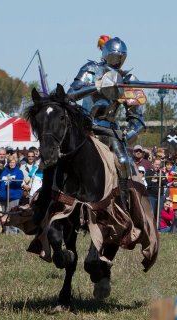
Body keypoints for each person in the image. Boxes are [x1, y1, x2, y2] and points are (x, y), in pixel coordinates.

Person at [67, 35, 147, 204]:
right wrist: (94, 86)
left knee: (124, 161)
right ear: (105, 54)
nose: (117, 60)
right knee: (61, 154)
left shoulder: (127, 80)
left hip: (109, 128)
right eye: (113, 56)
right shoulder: (91, 69)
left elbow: (138, 117)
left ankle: (123, 200)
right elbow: (71, 95)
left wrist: (129, 133)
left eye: (120, 57)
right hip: (85, 124)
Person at [0, 156, 24, 234]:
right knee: (4, 215)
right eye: (10, 162)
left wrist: (12, 180)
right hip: (3, 197)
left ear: (16, 163)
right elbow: (0, 182)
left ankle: (13, 232)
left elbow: (19, 181)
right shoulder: (4, 171)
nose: (11, 164)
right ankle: (5, 231)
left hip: (13, 197)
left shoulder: (19, 172)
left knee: (12, 216)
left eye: (13, 162)